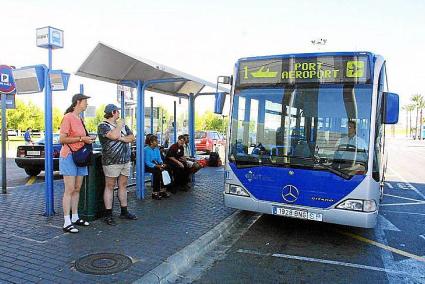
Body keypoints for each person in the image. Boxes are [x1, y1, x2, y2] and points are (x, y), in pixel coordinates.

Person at [59, 93, 94, 233]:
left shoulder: (80, 119)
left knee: (77, 188)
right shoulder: (68, 117)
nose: (87, 104)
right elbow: (62, 139)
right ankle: (66, 221)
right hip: (69, 156)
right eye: (85, 101)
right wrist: (82, 139)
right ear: (78, 102)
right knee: (69, 189)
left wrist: (86, 139)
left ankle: (75, 217)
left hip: (80, 157)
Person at [98, 104, 137, 226]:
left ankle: (124, 211)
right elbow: (114, 135)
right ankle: (108, 214)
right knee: (110, 186)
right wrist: (119, 127)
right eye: (118, 112)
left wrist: (121, 138)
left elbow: (131, 138)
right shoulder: (103, 126)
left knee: (123, 185)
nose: (119, 114)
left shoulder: (123, 126)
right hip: (111, 161)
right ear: (113, 112)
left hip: (125, 160)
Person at [144, 135, 171, 200]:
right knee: (157, 172)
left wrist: (162, 163)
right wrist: (157, 166)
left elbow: (159, 158)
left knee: (167, 169)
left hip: (157, 164)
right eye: (156, 141)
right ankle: (155, 192)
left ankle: (163, 190)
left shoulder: (157, 149)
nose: (157, 142)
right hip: (149, 166)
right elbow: (147, 162)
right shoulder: (146, 150)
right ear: (151, 142)